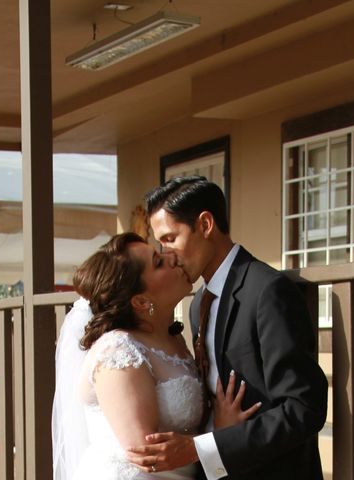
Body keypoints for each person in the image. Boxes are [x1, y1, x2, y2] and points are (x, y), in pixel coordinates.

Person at [126, 176, 328, 479]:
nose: (166, 253)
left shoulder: (267, 291)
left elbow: (303, 408)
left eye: (170, 238)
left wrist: (203, 447)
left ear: (206, 225)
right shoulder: (198, 305)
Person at [52, 232, 260, 480]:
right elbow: (147, 453)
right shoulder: (119, 350)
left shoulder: (174, 340)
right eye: (158, 262)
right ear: (140, 301)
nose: (171, 257)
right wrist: (221, 435)